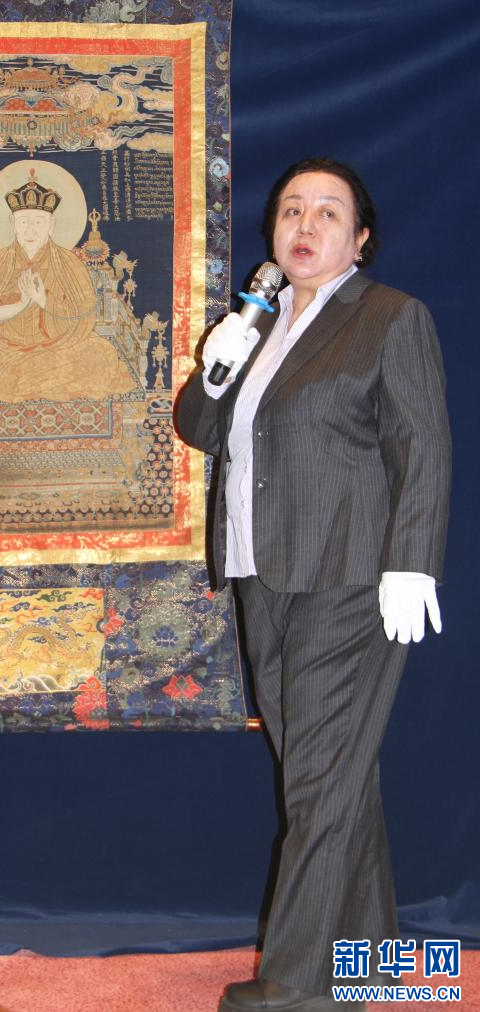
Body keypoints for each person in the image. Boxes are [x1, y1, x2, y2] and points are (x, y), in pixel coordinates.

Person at [175, 158, 451, 1012]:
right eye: (292, 209)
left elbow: (424, 446)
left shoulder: (390, 317)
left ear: (359, 239)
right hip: (262, 574)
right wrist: (217, 367)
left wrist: (412, 560)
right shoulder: (256, 327)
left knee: (321, 781)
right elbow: (199, 428)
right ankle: (368, 967)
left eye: (328, 212)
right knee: (329, 776)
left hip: (350, 577)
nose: (305, 223)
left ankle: (295, 988)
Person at [0, 171, 137, 403]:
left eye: (38, 222)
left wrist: (43, 301)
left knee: (101, 355)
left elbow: (83, 316)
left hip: (59, 347)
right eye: (23, 222)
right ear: (13, 224)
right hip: (3, 348)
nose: (30, 230)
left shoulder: (69, 263)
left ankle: (23, 376)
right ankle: (31, 376)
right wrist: (22, 303)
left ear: (52, 224)